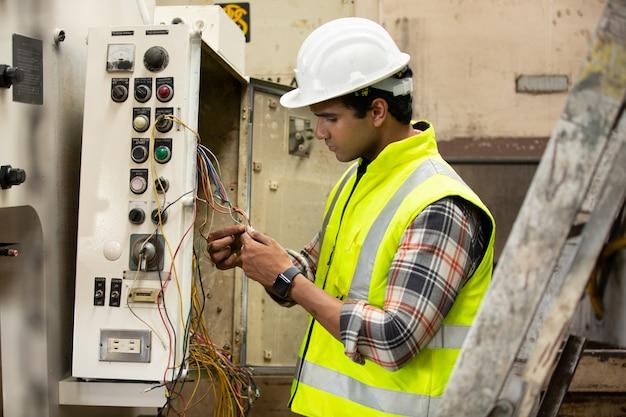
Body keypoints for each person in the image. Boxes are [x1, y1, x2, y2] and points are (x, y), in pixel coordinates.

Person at [207, 17, 495, 417]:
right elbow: (315, 270)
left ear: (377, 110)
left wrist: (286, 279)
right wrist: (258, 257)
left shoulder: (440, 204)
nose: (319, 132)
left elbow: (395, 337)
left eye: (330, 118)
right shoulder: (356, 179)